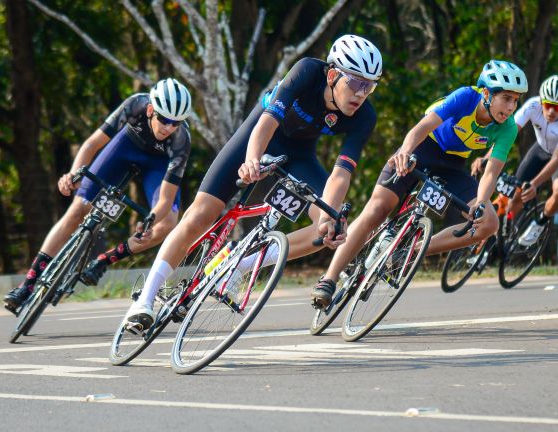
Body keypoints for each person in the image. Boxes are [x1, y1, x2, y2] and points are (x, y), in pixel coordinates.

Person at [125, 34, 383, 328]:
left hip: (298, 155)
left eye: (370, 86)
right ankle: (144, 300)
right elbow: (268, 121)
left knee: (328, 228)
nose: (362, 94)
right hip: (259, 135)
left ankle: (239, 261)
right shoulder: (307, 71)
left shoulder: (365, 116)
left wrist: (329, 215)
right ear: (334, 75)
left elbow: (341, 172)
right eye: (357, 83)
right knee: (200, 214)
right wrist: (252, 160)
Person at [312, 59, 529, 307]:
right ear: (487, 94)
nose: (512, 106)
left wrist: (480, 202)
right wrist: (405, 151)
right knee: (377, 209)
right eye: (507, 98)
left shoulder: (508, 128)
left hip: (453, 166)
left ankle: (409, 253)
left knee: (488, 222)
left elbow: (491, 172)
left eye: (516, 100)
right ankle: (328, 280)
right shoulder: (466, 97)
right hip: (424, 147)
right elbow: (422, 127)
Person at [3, 78, 193, 313]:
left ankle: (104, 260)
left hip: (159, 164)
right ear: (151, 110)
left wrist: (150, 219)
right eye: (164, 119)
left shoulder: (181, 140)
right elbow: (92, 145)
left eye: (176, 123)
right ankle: (28, 284)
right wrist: (73, 175)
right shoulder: (134, 105)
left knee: (167, 224)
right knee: (77, 210)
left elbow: (165, 199)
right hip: (127, 147)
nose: (168, 127)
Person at [471, 75, 558, 246]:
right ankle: (503, 236)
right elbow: (507, 135)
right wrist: (485, 158)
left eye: (557, 107)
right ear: (542, 102)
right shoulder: (533, 105)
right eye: (549, 105)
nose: (551, 111)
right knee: (517, 196)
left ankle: (541, 222)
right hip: (540, 150)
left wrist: (534, 184)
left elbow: (557, 159)